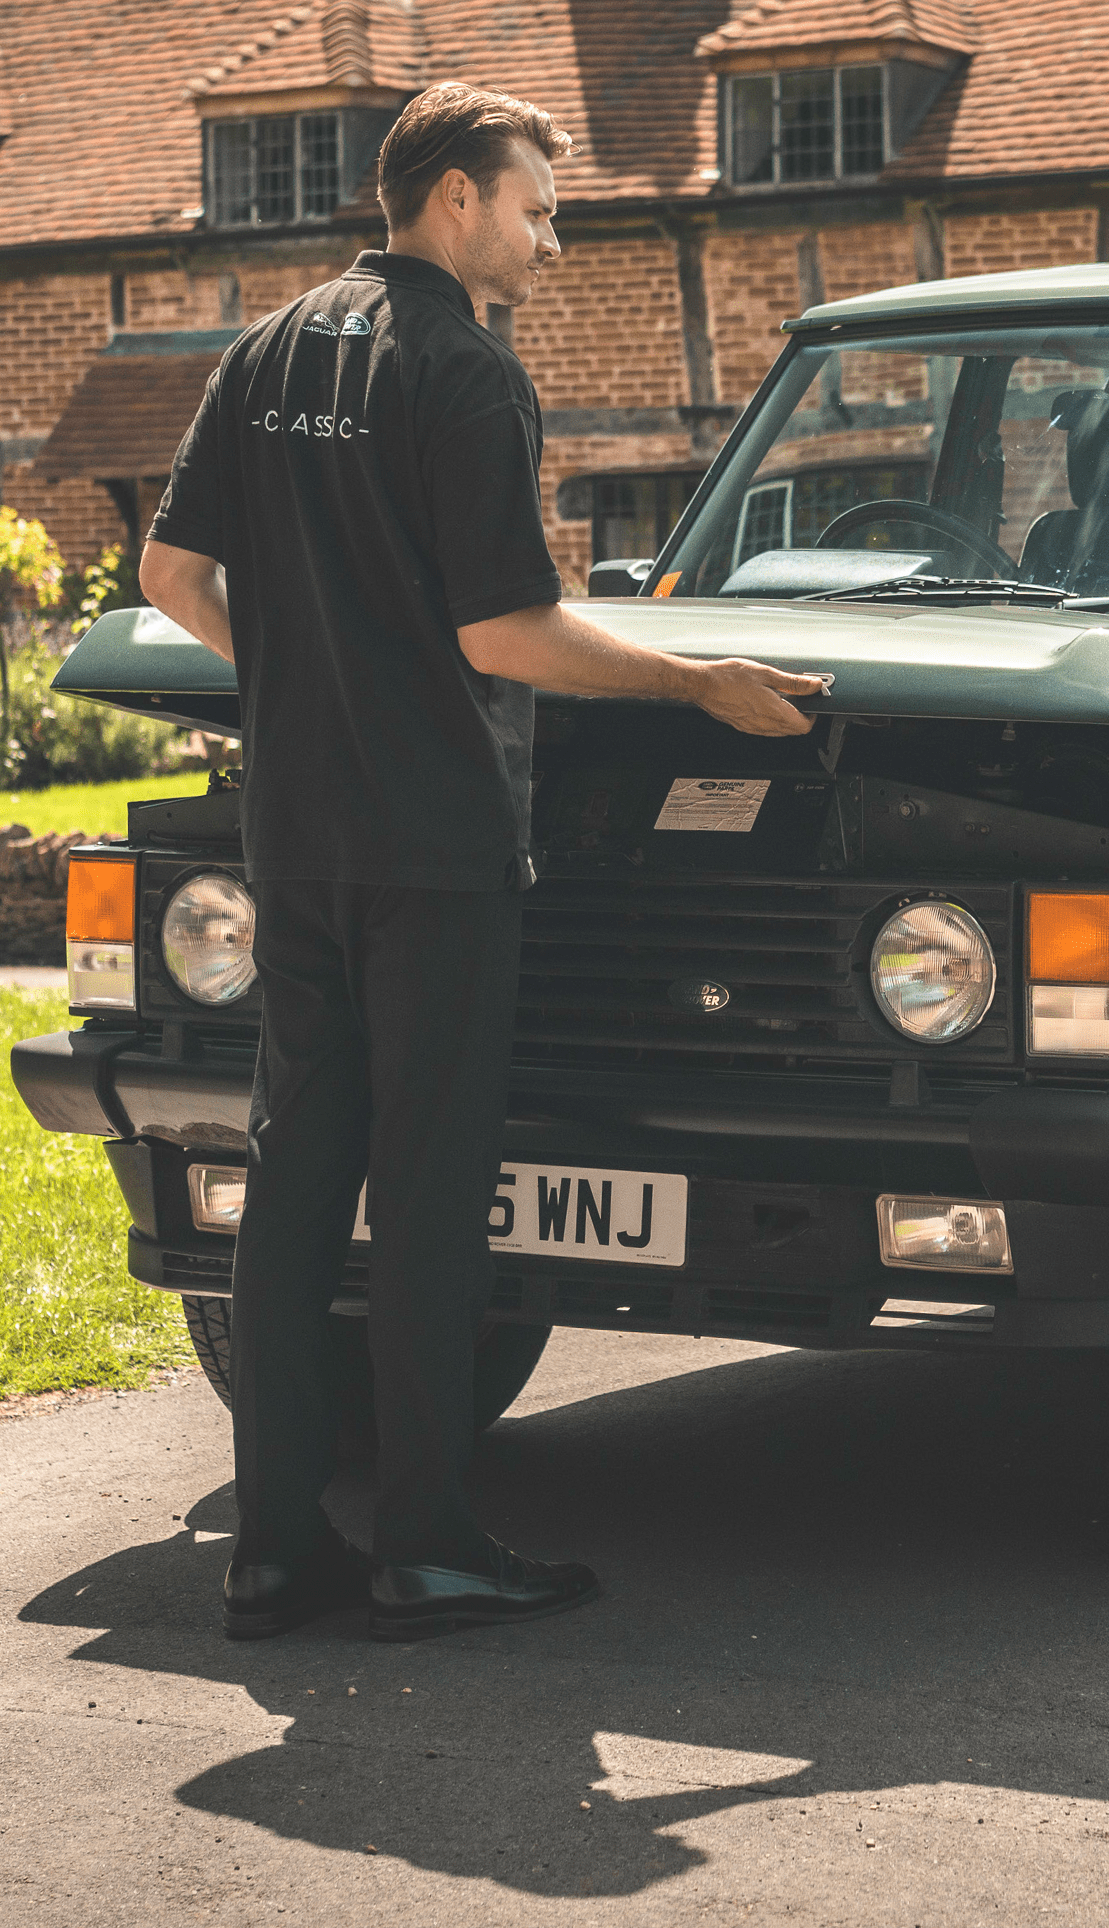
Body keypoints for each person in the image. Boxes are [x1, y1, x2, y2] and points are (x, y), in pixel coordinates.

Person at [140, 81, 829, 1642]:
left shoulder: (261, 352)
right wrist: (692, 681)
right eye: (535, 205)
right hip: (438, 840)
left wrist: (299, 674)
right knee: (435, 1193)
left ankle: (270, 1554)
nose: (552, 236)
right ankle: (430, 1544)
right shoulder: (465, 369)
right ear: (454, 198)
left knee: (298, 1179)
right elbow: (503, 632)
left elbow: (169, 572)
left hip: (295, 837)